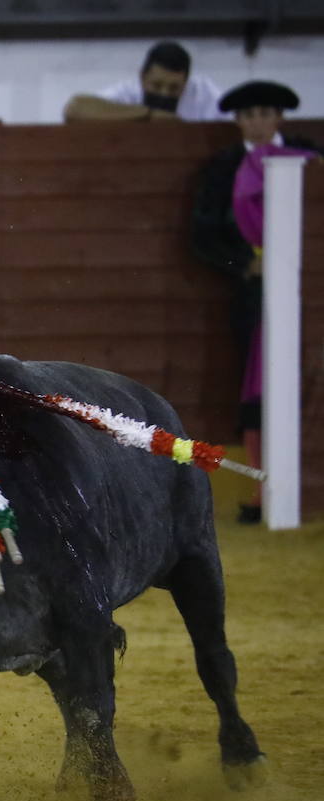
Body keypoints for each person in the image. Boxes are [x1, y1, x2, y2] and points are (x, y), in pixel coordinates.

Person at [190, 80, 320, 523]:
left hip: (313, 286)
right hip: (252, 292)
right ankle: (262, 490)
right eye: (249, 115)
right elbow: (203, 234)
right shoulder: (224, 167)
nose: (258, 122)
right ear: (238, 121)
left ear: (280, 116)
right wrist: (245, 263)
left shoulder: (311, 157)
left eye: (265, 112)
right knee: (258, 385)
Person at [63, 41, 223, 122]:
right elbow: (74, 109)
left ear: (186, 82)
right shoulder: (127, 93)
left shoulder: (202, 92)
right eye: (157, 85)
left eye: (174, 88)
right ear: (142, 77)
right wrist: (149, 114)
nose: (164, 93)